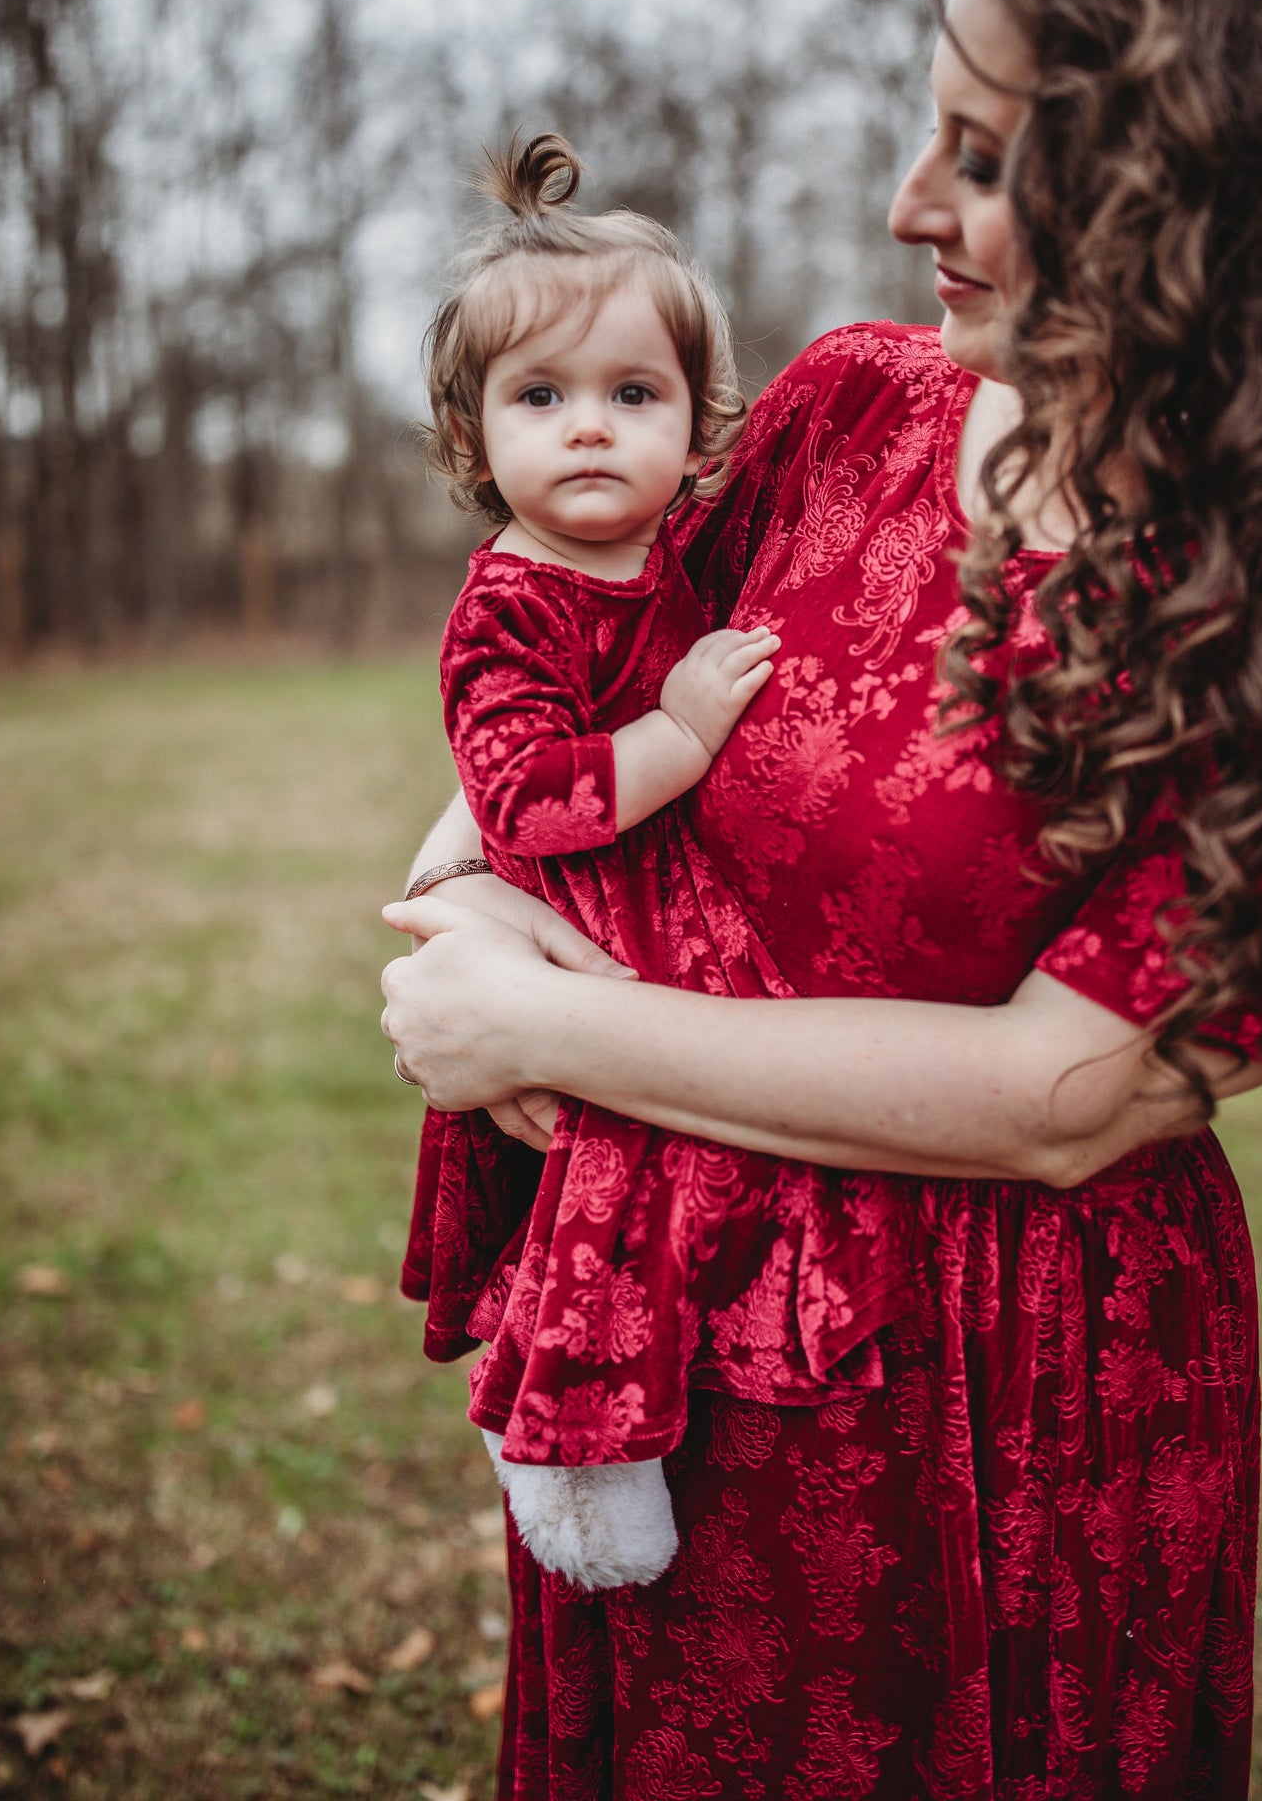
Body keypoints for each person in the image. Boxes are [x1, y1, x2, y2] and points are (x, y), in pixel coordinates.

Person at [382, 0, 1262, 1799]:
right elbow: (569, 707)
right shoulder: (851, 408)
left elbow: (1070, 1091)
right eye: (924, 119)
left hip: (1012, 1405)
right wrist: (472, 900)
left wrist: (552, 1023)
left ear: (1208, 188)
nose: (902, 198)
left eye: (990, 156)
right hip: (696, 1353)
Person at [402, 134, 919, 1594]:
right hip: (584, 937)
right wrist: (680, 734)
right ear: (472, 438)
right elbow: (522, 801)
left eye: (633, 396)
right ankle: (568, 1450)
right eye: (540, 398)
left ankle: (684, 1404)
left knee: (701, 1191)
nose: (588, 430)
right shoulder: (509, 604)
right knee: (601, 1194)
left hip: (683, 926)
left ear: (699, 431)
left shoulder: (675, 549)